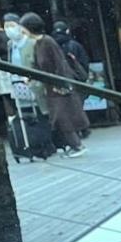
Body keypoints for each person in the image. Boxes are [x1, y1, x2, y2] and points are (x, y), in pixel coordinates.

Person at [18, 12, 88, 157]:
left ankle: (77, 145)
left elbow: (59, 62)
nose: (22, 31)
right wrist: (31, 76)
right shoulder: (38, 43)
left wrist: (61, 83)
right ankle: (74, 145)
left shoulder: (47, 41)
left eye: (23, 28)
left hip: (59, 86)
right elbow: (38, 65)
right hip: (51, 87)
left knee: (62, 117)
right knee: (60, 118)